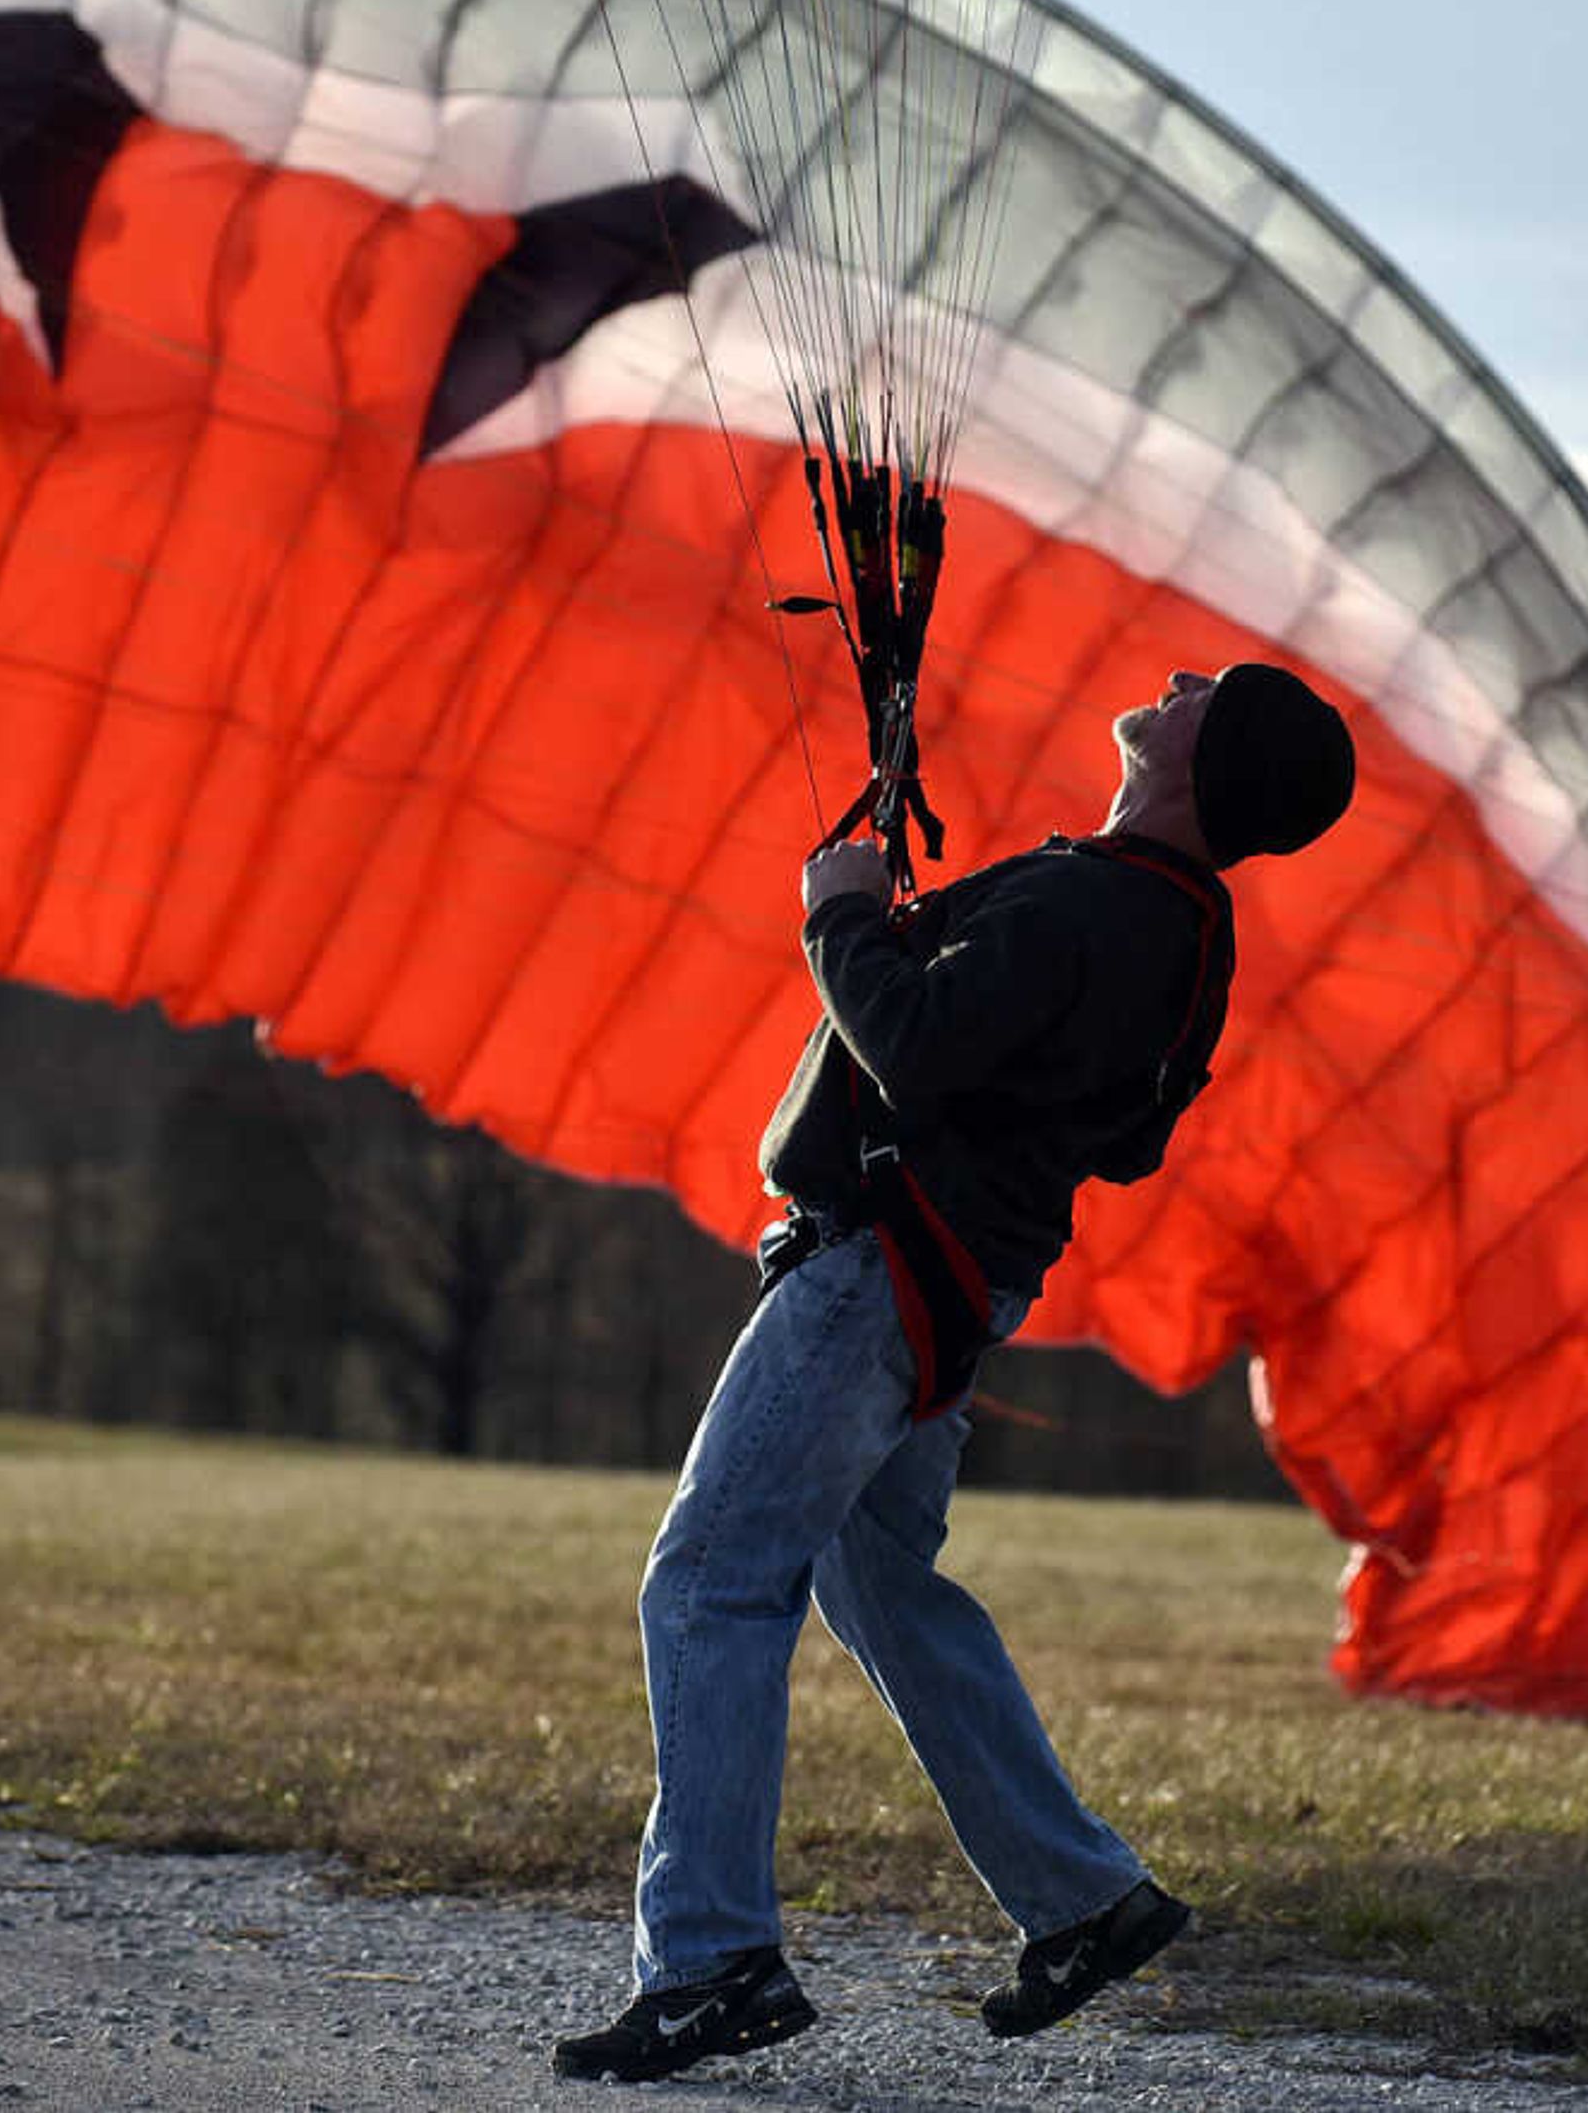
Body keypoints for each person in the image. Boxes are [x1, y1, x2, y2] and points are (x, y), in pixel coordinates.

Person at [552, 662, 1359, 2082]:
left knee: (711, 1578)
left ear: (1204, 754)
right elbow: (1098, 1119)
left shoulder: (1095, 906)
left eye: (1199, 691)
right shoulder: (1172, 926)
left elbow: (913, 1044)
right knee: (875, 1580)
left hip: (874, 1283)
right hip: (951, 1291)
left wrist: (843, 912)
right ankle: (1084, 1898)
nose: (1170, 682)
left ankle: (710, 1957)